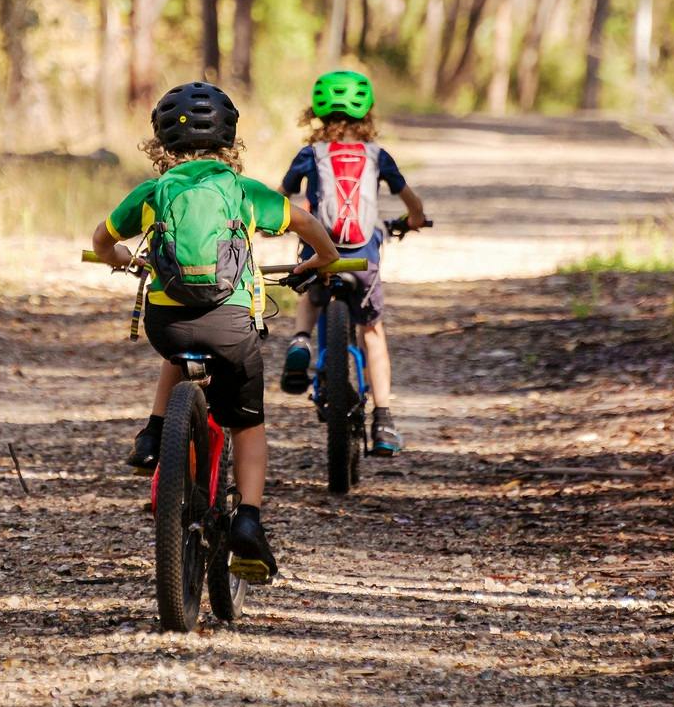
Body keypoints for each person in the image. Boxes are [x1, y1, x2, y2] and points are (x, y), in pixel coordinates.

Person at [91, 81, 337, 583]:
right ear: (230, 142)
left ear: (161, 145)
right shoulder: (245, 193)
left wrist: (123, 262)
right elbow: (308, 224)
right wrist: (324, 261)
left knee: (179, 341)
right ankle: (248, 520)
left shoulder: (154, 192)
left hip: (169, 326)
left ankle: (154, 434)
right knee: (247, 423)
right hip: (230, 327)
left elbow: (102, 240)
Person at [277, 70, 428, 455]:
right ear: (368, 114)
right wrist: (412, 221)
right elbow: (412, 202)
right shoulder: (378, 155)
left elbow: (280, 198)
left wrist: (270, 224)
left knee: (308, 290)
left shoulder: (310, 154)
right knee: (373, 332)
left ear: (317, 114)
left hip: (321, 256)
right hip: (362, 258)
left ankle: (300, 342)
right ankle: (384, 421)